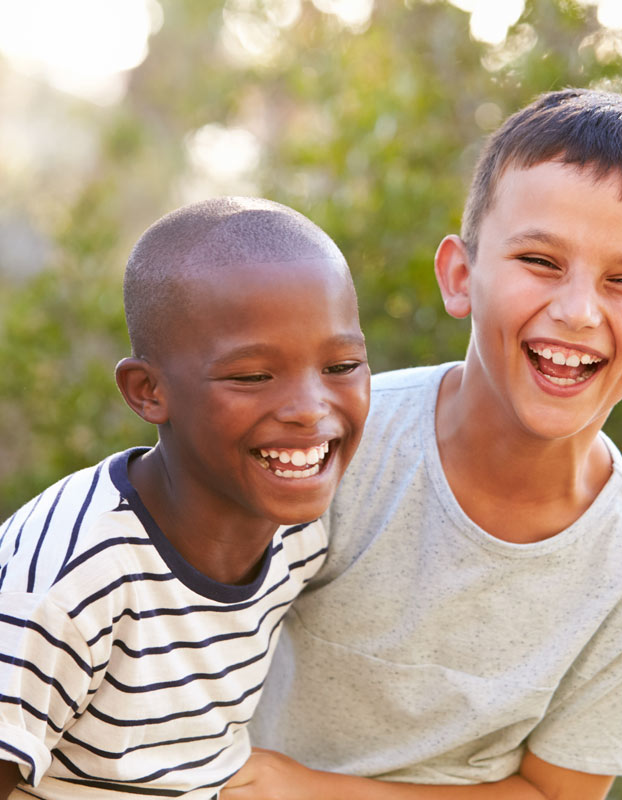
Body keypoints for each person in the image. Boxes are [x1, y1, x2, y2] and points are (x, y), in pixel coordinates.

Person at [226, 88, 622, 800]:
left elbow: (552, 795)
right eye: (541, 261)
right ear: (461, 275)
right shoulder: (335, 445)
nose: (577, 311)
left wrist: (301, 790)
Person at [0, 197, 370, 799]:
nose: (309, 408)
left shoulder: (301, 526)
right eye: (252, 376)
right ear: (148, 391)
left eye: (343, 364)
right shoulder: (70, 584)